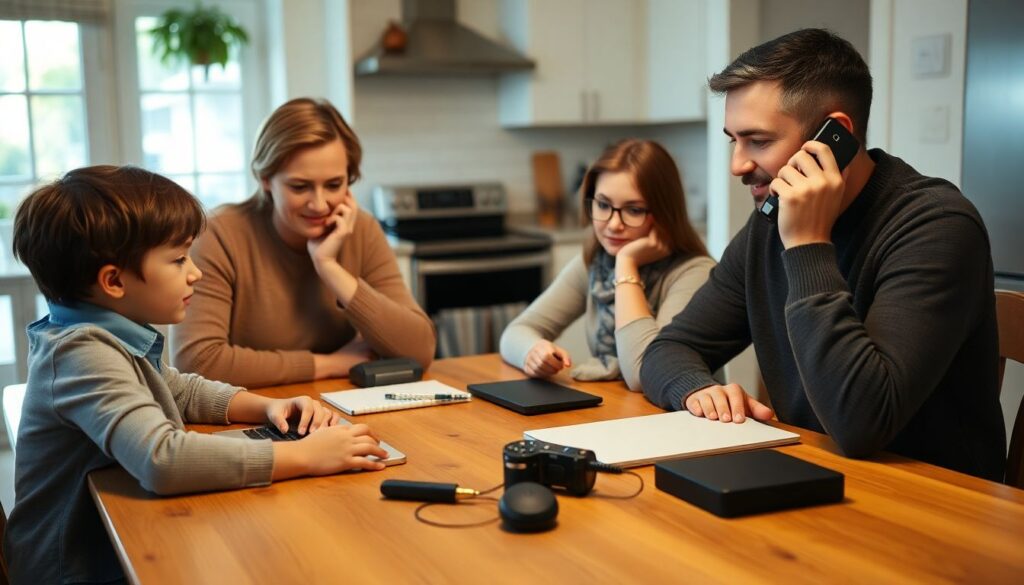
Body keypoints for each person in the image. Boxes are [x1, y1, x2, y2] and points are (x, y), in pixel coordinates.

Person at [640, 29, 1006, 481]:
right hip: (817, 477)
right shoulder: (767, 228)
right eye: (732, 140)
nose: (737, 164)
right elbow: (668, 350)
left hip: (933, 506)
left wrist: (808, 244)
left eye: (757, 140)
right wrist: (696, 390)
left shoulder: (937, 226)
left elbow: (860, 422)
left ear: (835, 137)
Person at [2, 166, 390, 585]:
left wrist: (268, 406)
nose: (195, 272)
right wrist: (306, 456)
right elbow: (164, 460)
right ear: (113, 281)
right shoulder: (82, 353)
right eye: (178, 258)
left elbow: (178, 390)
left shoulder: (101, 333)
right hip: (74, 572)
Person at [171, 98, 435, 388]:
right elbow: (197, 361)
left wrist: (329, 268)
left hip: (341, 406)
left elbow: (419, 351)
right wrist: (330, 364)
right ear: (265, 179)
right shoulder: (220, 234)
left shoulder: (362, 229)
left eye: (334, 185)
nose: (320, 204)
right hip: (255, 414)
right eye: (300, 186)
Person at [500, 139, 714, 391]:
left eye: (633, 210)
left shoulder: (695, 274)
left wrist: (626, 265)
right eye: (603, 205)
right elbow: (516, 332)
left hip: (680, 420)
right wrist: (533, 351)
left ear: (665, 213)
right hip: (616, 411)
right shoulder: (596, 264)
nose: (613, 224)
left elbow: (644, 373)